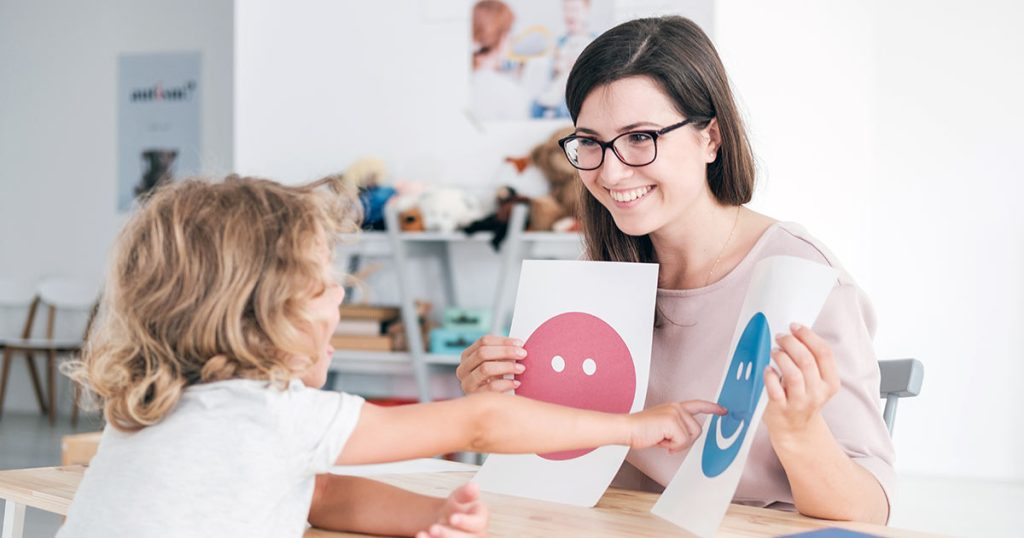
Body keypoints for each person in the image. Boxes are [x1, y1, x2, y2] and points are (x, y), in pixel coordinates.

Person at [58, 175, 724, 537]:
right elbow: (481, 422)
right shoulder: (270, 416)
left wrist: (429, 516)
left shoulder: (156, 411)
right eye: (322, 283)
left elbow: (317, 495)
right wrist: (633, 427)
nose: (342, 291)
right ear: (260, 314)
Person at [457, 16, 896, 524]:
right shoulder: (598, 272)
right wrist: (496, 401)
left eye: (640, 137)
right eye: (590, 142)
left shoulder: (803, 280)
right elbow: (554, 461)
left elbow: (870, 512)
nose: (610, 171)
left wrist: (798, 430)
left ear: (710, 138)